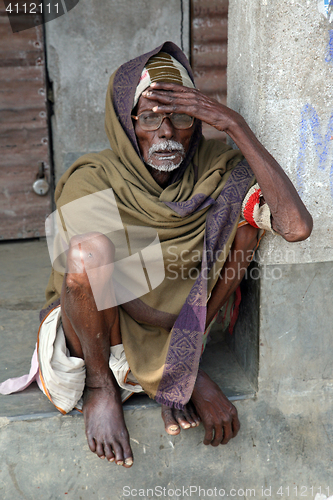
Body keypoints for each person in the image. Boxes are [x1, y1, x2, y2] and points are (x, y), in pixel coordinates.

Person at [0, 42, 313, 468]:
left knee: (244, 232)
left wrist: (234, 124)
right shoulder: (92, 177)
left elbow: (296, 227)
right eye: (148, 118)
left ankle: (161, 370)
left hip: (184, 329)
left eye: (182, 118)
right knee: (87, 256)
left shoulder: (217, 167)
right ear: (127, 124)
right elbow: (112, 292)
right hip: (100, 338)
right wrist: (183, 372)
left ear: (198, 123)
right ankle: (102, 390)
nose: (166, 133)